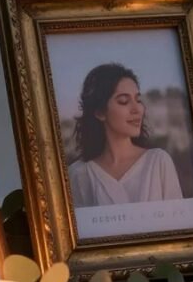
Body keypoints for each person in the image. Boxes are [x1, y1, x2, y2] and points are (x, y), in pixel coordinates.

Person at [67, 63, 183, 207]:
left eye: (138, 100)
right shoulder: (79, 174)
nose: (137, 109)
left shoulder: (158, 162)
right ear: (100, 112)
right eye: (124, 101)